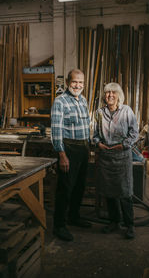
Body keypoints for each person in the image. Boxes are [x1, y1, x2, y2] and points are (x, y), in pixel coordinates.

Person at [93, 82, 139, 239]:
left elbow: (134, 133)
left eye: (113, 92)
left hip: (122, 156)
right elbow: (95, 134)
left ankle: (129, 224)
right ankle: (114, 222)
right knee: (109, 191)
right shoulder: (99, 113)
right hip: (106, 157)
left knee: (125, 192)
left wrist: (123, 145)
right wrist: (98, 143)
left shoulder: (127, 111)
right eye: (107, 92)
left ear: (119, 95)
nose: (110, 95)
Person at [51, 69, 91, 241]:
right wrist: (62, 154)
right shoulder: (60, 101)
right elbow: (56, 130)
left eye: (81, 82)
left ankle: (74, 217)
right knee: (65, 188)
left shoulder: (83, 100)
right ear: (68, 82)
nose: (78, 85)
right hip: (69, 149)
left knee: (79, 187)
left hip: (83, 149)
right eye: (75, 82)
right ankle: (59, 226)